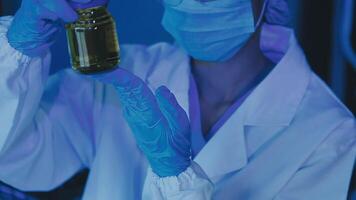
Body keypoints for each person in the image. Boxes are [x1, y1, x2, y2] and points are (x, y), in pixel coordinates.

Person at [0, 0, 354, 199]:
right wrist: (19, 52)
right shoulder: (126, 73)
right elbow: (14, 156)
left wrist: (176, 177)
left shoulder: (329, 136)